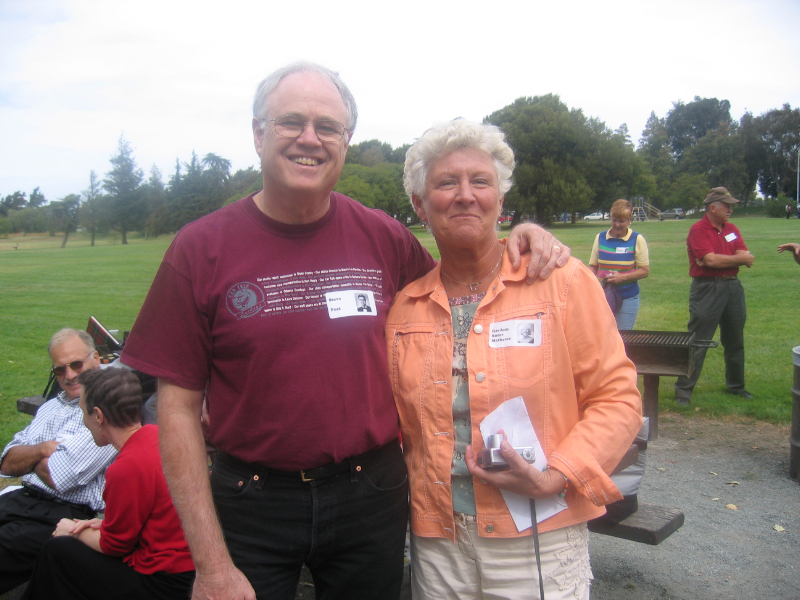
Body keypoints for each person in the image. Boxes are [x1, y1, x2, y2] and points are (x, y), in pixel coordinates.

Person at [119, 61, 571, 600]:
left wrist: (518, 234)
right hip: (252, 501)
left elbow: (465, 287)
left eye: (327, 127)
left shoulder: (381, 237)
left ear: (346, 142)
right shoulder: (200, 248)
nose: (309, 139)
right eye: (291, 122)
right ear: (258, 133)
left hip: (371, 493)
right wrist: (212, 566)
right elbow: (175, 411)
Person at [387, 119, 642, 599]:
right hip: (438, 541)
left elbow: (618, 397)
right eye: (446, 183)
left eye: (480, 181)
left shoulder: (560, 283)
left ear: (501, 200)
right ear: (420, 204)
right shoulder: (406, 308)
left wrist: (558, 474)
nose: (466, 195)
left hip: (537, 533)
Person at [22, 368, 195, 600]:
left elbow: (115, 546)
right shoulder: (156, 435)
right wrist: (103, 524)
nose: (84, 421)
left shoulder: (126, 467)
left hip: (163, 582)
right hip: (188, 569)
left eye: (83, 413)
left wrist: (71, 532)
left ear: (99, 416)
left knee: (58, 550)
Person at [0, 329, 117, 594]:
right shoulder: (51, 406)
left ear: (96, 358)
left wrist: (29, 456)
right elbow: (6, 463)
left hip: (64, 514)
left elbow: (60, 478)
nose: (70, 375)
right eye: (60, 370)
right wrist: (45, 449)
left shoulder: (107, 406)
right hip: (21, 498)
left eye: (77, 364)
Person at [674, 187, 755, 405]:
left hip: (733, 288)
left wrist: (718, 259)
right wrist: (732, 259)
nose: (730, 209)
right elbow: (710, 262)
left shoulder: (731, 229)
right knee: (698, 341)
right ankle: (683, 391)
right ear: (713, 207)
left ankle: (736, 387)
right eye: (727, 205)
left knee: (735, 340)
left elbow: (744, 256)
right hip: (707, 288)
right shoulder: (698, 230)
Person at [588, 199, 650, 330]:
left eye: (622, 221)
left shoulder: (637, 239)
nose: (617, 224)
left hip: (627, 296)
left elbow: (644, 270)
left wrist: (622, 277)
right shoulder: (600, 237)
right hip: (604, 296)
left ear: (629, 221)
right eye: (614, 220)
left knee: (623, 338)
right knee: (602, 335)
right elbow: (593, 266)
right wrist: (589, 281)